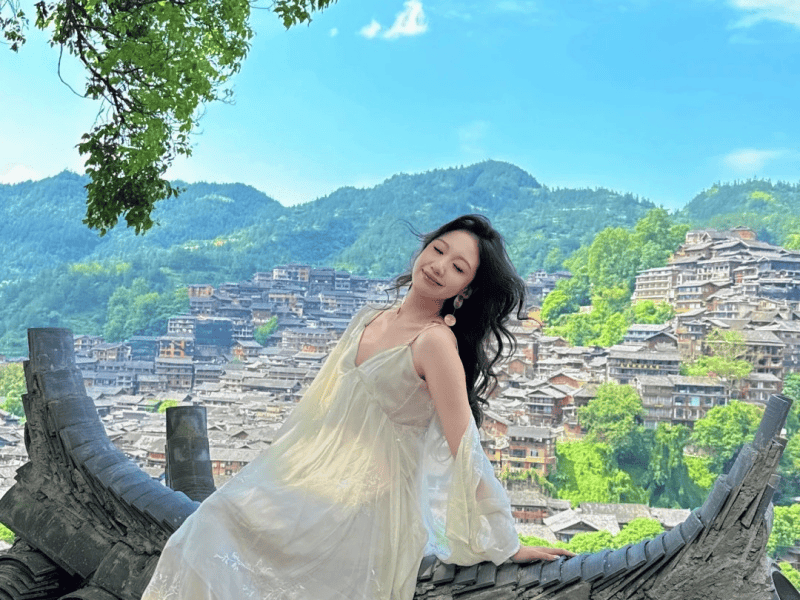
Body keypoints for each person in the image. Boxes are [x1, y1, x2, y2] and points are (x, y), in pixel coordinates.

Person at [141, 214, 572, 600]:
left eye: (458, 268)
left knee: (221, 535)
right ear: (423, 249)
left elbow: (465, 445)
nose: (440, 266)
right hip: (319, 484)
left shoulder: (435, 343)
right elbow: (320, 411)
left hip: (371, 510)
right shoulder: (369, 317)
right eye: (439, 250)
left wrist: (505, 540)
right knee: (209, 523)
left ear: (466, 290)